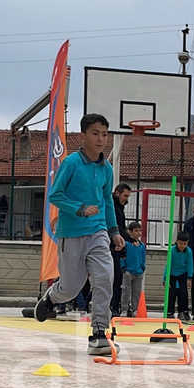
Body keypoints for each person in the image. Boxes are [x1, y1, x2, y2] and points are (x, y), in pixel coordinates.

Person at [32, 113, 125, 356]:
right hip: (71, 233)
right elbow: (55, 195)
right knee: (71, 288)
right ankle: (51, 298)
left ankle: (98, 334)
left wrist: (114, 231)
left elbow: (106, 200)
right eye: (95, 133)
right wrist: (79, 209)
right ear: (83, 135)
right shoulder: (71, 163)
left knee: (105, 277)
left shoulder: (106, 169)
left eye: (105, 134)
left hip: (98, 232)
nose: (101, 139)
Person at [109, 183, 134, 315]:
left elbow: (121, 228)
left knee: (117, 278)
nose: (126, 199)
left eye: (128, 196)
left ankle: (114, 307)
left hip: (116, 247)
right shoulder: (111, 206)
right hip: (108, 246)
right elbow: (115, 227)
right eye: (125, 195)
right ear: (117, 193)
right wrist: (129, 240)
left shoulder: (120, 207)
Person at [121, 221, 146, 317]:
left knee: (137, 293)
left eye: (140, 231)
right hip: (128, 272)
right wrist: (124, 268)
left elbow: (143, 258)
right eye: (136, 231)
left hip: (138, 272)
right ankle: (124, 309)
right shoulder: (126, 244)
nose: (139, 233)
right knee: (126, 292)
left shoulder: (142, 245)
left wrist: (142, 267)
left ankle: (135, 309)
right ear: (130, 232)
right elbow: (122, 256)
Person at [167, 231, 193, 321]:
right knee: (171, 293)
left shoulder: (188, 251)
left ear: (187, 243)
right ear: (177, 241)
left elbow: (190, 264)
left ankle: (184, 311)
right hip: (172, 275)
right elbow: (168, 265)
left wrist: (190, 277)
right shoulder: (172, 250)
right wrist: (165, 278)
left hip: (183, 274)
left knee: (183, 293)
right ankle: (170, 312)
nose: (182, 246)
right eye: (180, 243)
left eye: (184, 244)